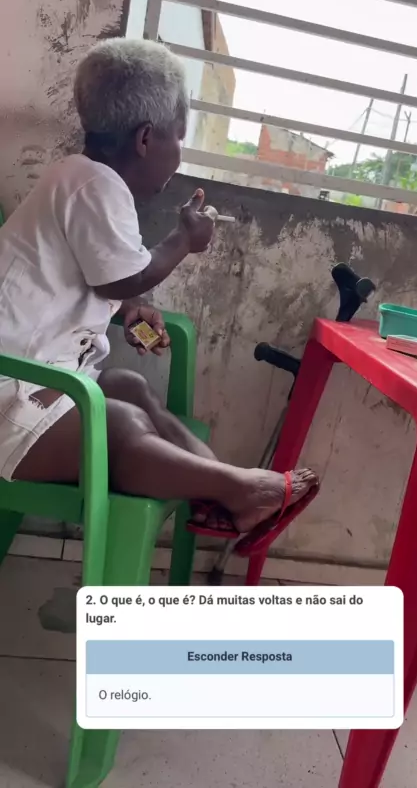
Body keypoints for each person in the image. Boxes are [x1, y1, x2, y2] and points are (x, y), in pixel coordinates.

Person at [0, 38, 318, 546]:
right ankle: (239, 488)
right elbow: (122, 276)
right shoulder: (95, 185)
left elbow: (98, 273)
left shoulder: (80, 179)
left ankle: (216, 488)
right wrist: (183, 240)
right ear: (146, 138)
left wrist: (129, 307)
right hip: (11, 394)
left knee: (129, 385)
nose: (179, 154)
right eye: (179, 138)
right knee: (119, 426)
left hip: (39, 381)